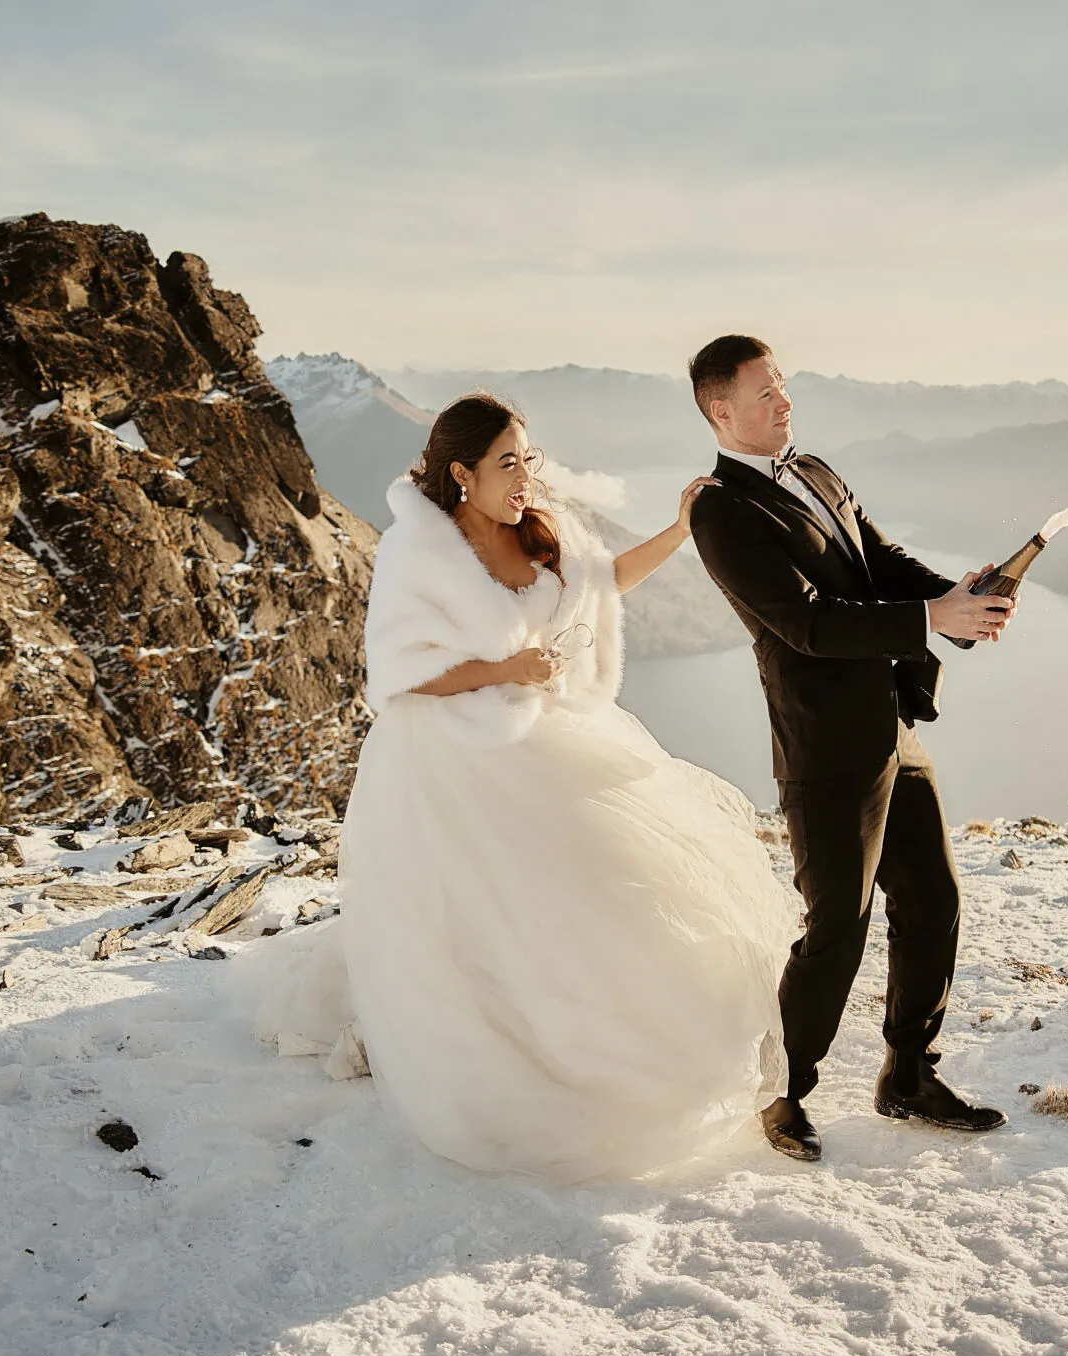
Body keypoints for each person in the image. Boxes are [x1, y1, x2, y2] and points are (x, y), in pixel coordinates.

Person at [243, 392, 796, 1184]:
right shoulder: (418, 552)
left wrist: (679, 530)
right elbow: (401, 674)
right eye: (508, 462)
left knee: (605, 893)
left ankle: (621, 1027)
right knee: (481, 914)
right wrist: (508, 669)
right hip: (450, 758)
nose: (526, 476)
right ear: (461, 473)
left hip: (541, 736)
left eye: (529, 458)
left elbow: (606, 582)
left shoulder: (541, 529)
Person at [685, 335, 1017, 1162]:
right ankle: (783, 1090)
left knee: (934, 900)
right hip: (826, 747)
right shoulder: (721, 510)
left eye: (784, 386)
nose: (785, 402)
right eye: (767, 394)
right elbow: (808, 623)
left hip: (891, 725)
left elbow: (876, 560)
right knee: (838, 924)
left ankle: (907, 1073)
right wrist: (931, 620)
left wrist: (953, 595)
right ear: (721, 411)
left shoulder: (818, 470)